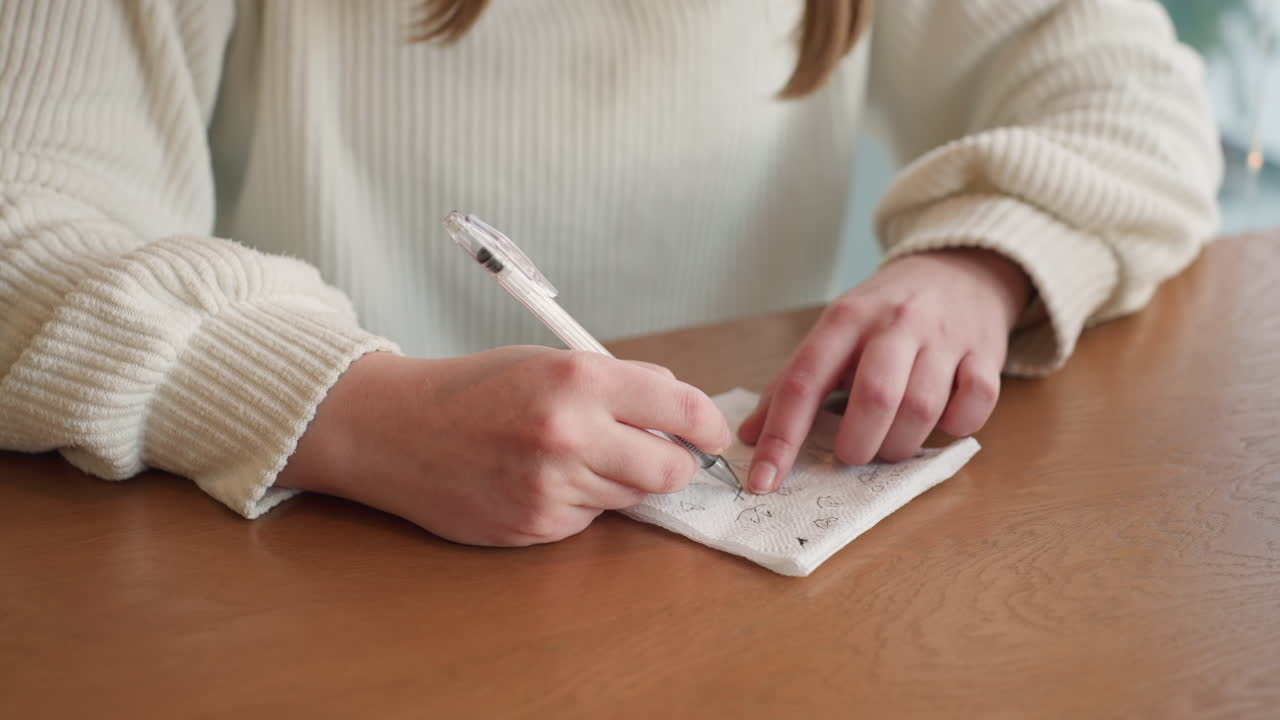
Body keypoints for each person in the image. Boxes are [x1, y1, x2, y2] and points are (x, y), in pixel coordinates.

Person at [0, 0, 1220, 546]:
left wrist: (978, 258)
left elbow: (1139, 103)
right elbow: (24, 218)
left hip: (703, 626)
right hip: (319, 574)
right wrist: (352, 407)